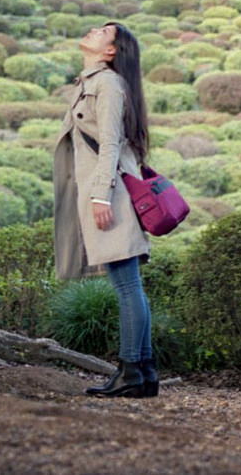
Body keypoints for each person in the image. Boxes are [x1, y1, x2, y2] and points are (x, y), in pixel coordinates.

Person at [52, 21, 156, 398]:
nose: (92, 30)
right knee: (131, 285)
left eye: (102, 31)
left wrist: (100, 196)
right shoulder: (95, 82)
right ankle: (143, 372)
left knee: (127, 285)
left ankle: (133, 371)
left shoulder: (108, 84)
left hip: (111, 194)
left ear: (111, 51)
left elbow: (110, 144)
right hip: (110, 190)